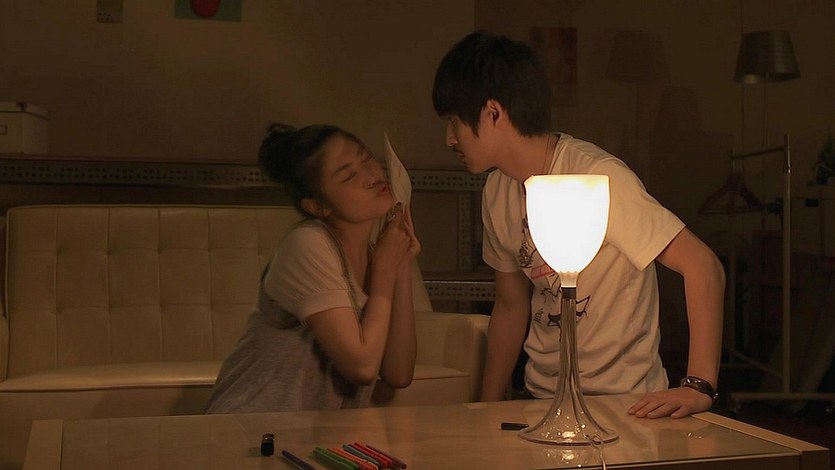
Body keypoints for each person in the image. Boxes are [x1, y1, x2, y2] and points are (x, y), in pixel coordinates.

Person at [432, 31, 725, 418]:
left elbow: (703, 265)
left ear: (493, 113)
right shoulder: (497, 190)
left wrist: (698, 385)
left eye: (454, 121)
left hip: (625, 402)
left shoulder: (597, 178)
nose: (449, 139)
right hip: (543, 398)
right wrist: (486, 408)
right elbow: (510, 304)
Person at [205, 123, 420, 413]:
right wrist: (384, 272)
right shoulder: (308, 243)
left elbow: (399, 373)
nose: (372, 176)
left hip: (315, 433)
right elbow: (363, 367)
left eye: (367, 158)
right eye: (349, 175)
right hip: (250, 425)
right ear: (318, 206)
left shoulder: (376, 255)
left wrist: (400, 264)